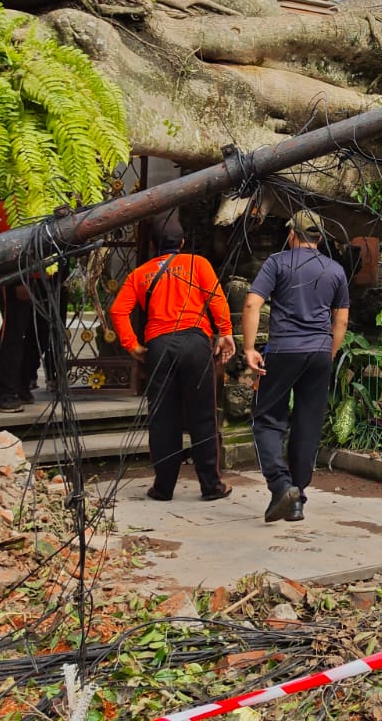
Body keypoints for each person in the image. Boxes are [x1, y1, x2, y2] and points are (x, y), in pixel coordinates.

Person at [110, 217, 236, 501]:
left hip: (159, 347)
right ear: (182, 242)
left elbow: (118, 311)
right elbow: (216, 298)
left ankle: (163, 488)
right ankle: (211, 486)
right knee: (203, 416)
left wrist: (132, 345)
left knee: (163, 418)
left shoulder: (139, 274)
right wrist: (226, 332)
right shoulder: (198, 263)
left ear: (153, 245)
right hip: (195, 343)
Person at [240, 209, 349, 523]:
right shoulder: (335, 270)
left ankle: (280, 484)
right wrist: (329, 352)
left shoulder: (277, 262)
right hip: (319, 351)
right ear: (319, 239)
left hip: (283, 350)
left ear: (291, 234)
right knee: (307, 425)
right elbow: (341, 320)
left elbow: (252, 302)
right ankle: (297, 499)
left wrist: (249, 348)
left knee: (266, 419)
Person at [0, 199, 57, 413]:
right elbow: (6, 247)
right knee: (14, 333)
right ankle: (4, 392)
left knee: (41, 332)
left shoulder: (44, 200)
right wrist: (19, 281)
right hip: (17, 278)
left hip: (44, 276)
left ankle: (23, 382)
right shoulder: (6, 205)